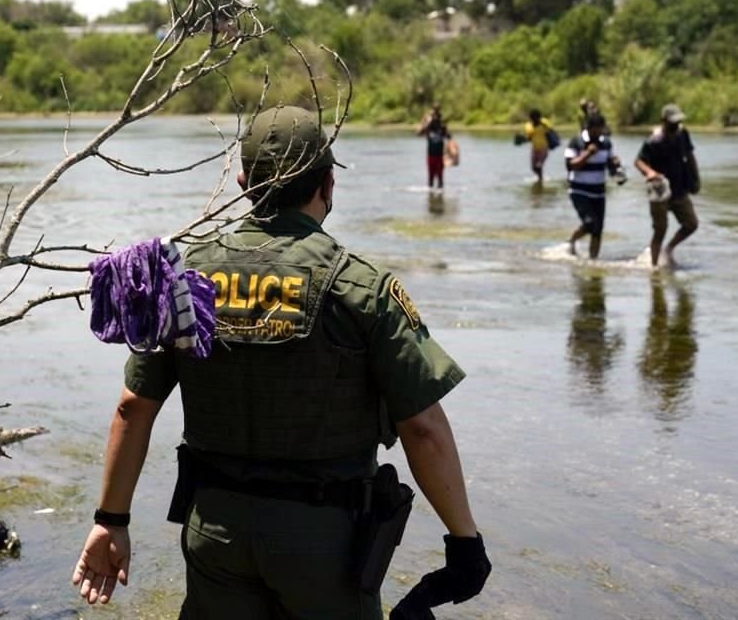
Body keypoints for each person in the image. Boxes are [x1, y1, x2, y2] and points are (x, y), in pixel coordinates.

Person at [72, 105, 490, 619]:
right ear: (328, 185)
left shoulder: (185, 279)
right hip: (326, 545)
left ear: (245, 183)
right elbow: (422, 428)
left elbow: (132, 409)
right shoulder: (361, 287)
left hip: (215, 532)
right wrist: (463, 540)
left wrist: (110, 519)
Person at [634, 103, 701, 268]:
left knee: (691, 224)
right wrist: (649, 172)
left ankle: (669, 249)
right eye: (672, 123)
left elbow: (690, 157)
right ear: (663, 121)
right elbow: (638, 161)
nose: (675, 126)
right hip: (660, 190)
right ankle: (654, 267)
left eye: (677, 123)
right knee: (660, 230)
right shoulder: (653, 141)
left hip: (679, 189)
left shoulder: (683, 134)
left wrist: (696, 179)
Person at [564, 112, 623, 259]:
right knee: (590, 223)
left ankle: (593, 261)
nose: (597, 134)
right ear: (588, 129)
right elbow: (570, 166)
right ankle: (571, 241)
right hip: (579, 190)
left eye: (600, 130)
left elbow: (610, 166)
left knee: (598, 230)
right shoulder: (576, 142)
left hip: (599, 191)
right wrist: (587, 153)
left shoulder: (606, 143)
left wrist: (616, 167)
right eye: (594, 131)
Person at [417, 103, 451, 190]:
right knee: (430, 178)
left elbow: (449, 137)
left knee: (440, 179)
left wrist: (444, 129)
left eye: (437, 113)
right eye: (434, 114)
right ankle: (431, 199)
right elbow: (418, 133)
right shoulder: (429, 126)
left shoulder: (442, 125)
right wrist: (428, 124)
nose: (435, 117)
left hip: (439, 156)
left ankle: (440, 197)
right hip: (430, 155)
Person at [523, 108, 555, 182]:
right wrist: (522, 138)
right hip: (534, 149)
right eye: (533, 118)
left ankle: (540, 179)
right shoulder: (529, 126)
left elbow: (552, 131)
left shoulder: (544, 123)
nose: (535, 119)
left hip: (544, 149)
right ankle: (540, 178)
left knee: (539, 165)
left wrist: (543, 125)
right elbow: (529, 138)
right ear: (531, 118)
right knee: (533, 167)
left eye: (537, 117)